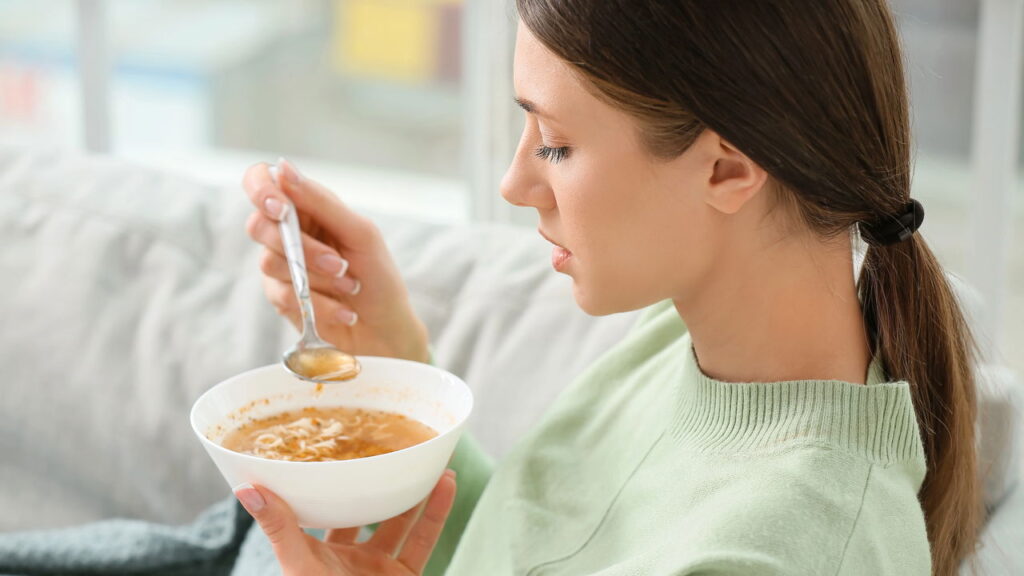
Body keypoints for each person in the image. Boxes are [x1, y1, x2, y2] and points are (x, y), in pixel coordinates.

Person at [238, 1, 981, 575]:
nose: (514, 183)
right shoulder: (683, 334)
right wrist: (399, 360)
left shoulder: (784, 549)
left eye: (555, 143)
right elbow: (533, 548)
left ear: (728, 169)